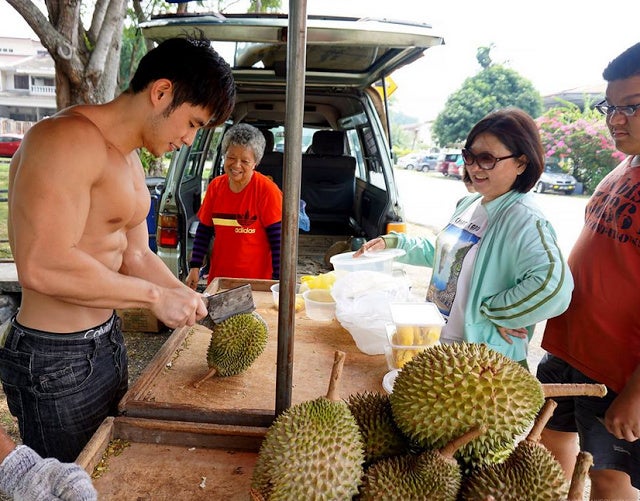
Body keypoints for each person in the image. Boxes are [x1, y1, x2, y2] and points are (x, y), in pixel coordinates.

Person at [0, 35, 236, 481]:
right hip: (55, 359)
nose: (187, 140)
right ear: (161, 92)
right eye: (192, 123)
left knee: (106, 477)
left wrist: (184, 295)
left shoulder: (127, 161)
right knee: (68, 486)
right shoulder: (65, 140)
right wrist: (151, 297)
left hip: (104, 343)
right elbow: (42, 263)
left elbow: (134, 254)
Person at [355, 107, 573, 365]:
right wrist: (394, 242)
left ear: (521, 163)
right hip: (440, 343)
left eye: (487, 158)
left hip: (482, 363)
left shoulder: (523, 218)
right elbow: (446, 254)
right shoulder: (470, 203)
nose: (474, 167)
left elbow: (554, 286)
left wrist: (500, 313)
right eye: (470, 156)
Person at [536, 42, 640, 500]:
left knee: (607, 476)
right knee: (548, 439)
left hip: (620, 371)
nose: (615, 120)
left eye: (632, 107)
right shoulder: (620, 171)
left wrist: (637, 395)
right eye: (610, 107)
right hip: (570, 348)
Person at [185, 123, 282, 288]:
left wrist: (277, 282)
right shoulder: (216, 187)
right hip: (220, 280)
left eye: (244, 161)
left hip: (256, 283)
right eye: (231, 157)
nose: (236, 165)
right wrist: (195, 267)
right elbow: (204, 231)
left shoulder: (267, 191)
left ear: (255, 163)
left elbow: (279, 242)